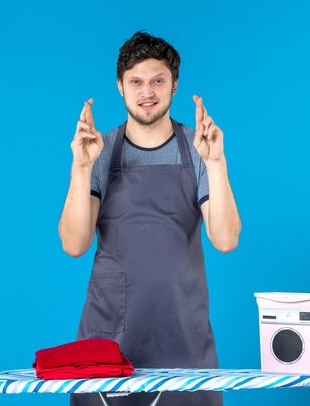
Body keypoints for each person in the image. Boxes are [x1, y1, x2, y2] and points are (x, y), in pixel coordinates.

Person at [59, 31, 241, 406]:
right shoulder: (99, 150)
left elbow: (225, 239)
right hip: (108, 342)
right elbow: (74, 244)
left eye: (158, 80)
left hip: (182, 339)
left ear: (174, 85)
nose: (147, 92)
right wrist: (80, 168)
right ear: (120, 88)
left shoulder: (197, 149)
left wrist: (216, 162)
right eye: (136, 82)